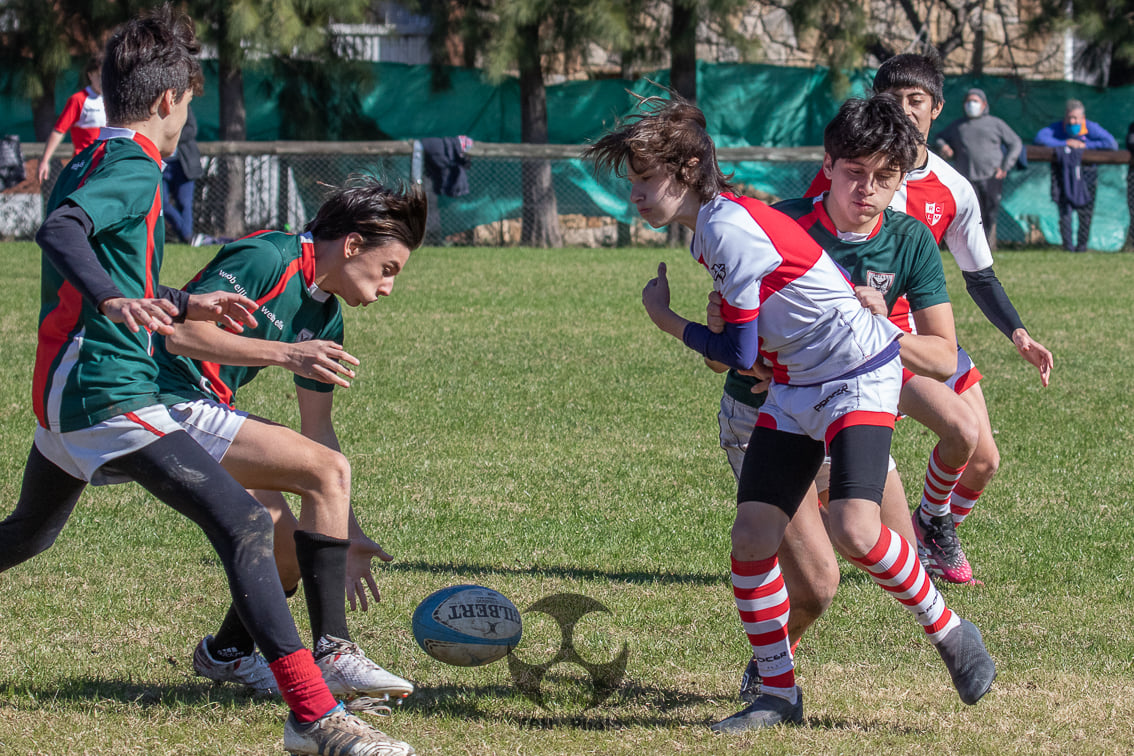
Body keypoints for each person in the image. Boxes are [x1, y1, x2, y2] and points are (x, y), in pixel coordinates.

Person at [1, 8, 413, 755]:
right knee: (251, 525)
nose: (187, 119)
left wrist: (185, 301)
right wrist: (114, 300)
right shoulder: (133, 165)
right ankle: (315, 717)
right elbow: (61, 230)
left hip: (75, 389)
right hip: (110, 390)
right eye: (190, 104)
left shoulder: (94, 154)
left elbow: (115, 261)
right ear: (168, 102)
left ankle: (299, 684)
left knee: (26, 536)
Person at [584, 93, 995, 733]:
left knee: (860, 533)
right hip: (797, 388)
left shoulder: (726, 229)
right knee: (751, 543)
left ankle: (950, 632)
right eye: (632, 179)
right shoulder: (711, 230)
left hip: (858, 377)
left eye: (645, 179)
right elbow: (747, 354)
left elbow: (739, 352)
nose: (634, 193)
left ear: (689, 169)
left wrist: (669, 321)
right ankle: (777, 694)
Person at [713, 94, 979, 705]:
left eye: (884, 177)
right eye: (854, 172)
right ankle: (775, 677)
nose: (867, 189)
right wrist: (742, 344)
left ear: (901, 179)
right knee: (819, 583)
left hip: (845, 402)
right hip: (765, 412)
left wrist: (882, 328)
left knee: (893, 551)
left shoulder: (909, 241)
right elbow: (720, 349)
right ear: (827, 165)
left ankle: (780, 650)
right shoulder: (777, 227)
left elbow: (942, 356)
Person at [153, 176, 425, 711]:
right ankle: (334, 650)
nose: (388, 287)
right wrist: (286, 355)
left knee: (285, 547)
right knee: (324, 474)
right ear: (351, 246)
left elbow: (317, 432)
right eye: (387, 269)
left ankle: (228, 651)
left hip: (207, 408)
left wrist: (348, 531)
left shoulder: (325, 315)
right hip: (160, 396)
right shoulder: (268, 256)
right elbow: (176, 332)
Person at [807, 52, 1054, 585]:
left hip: (925, 336)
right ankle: (853, 528)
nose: (903, 110)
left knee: (983, 458)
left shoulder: (953, 189)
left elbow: (979, 275)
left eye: (915, 101)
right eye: (891, 100)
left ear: (936, 108)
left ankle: (933, 523)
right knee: (948, 437)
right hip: (865, 341)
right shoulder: (850, 173)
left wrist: (1019, 332)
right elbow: (804, 248)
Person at [933, 88, 1022, 251]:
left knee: (989, 213)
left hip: (991, 176)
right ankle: (969, 248)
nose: (971, 104)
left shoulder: (996, 123)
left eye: (975, 101)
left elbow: (1016, 143)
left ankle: (987, 247)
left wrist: (1005, 166)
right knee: (970, 214)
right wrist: (944, 146)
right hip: (966, 178)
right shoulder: (958, 126)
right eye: (968, 101)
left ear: (984, 104)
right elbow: (938, 138)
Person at [1034, 99, 1118, 252]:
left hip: (1087, 175)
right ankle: (1068, 247)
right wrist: (1065, 143)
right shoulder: (1058, 128)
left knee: (1085, 211)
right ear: (1065, 117)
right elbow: (1040, 138)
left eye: (1075, 118)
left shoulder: (1091, 128)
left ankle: (1082, 246)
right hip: (1064, 174)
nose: (1072, 122)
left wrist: (1085, 146)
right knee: (1065, 210)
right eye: (1069, 118)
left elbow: (1111, 143)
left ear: (1082, 118)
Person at [37, 55, 107, 185]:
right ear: (90, 75)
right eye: (99, 75)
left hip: (107, 165)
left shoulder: (114, 100)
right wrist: (45, 160)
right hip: (85, 166)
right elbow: (59, 130)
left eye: (106, 75)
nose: (103, 80)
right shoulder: (78, 100)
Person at [162, 104, 203, 244]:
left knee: (184, 202)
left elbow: (191, 130)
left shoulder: (183, 106)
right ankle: (187, 235)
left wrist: (170, 135)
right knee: (161, 202)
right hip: (162, 164)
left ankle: (185, 239)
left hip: (182, 165)